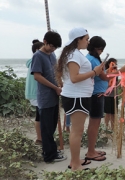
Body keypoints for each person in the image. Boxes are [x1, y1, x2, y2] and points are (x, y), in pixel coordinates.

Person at [57, 28, 104, 171]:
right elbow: (74, 78)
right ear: (78, 39)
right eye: (86, 39)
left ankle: (76, 160)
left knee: (77, 130)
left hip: (78, 95)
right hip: (77, 97)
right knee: (77, 131)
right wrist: (94, 72)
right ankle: (75, 164)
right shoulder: (73, 55)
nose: (88, 42)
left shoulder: (73, 54)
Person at [30, 31, 67, 162]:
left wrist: (60, 81)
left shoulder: (52, 55)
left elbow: (55, 72)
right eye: (51, 46)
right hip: (45, 97)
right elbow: (37, 76)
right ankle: (49, 156)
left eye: (55, 47)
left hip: (54, 96)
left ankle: (52, 150)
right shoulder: (38, 56)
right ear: (44, 41)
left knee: (51, 127)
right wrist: (54, 87)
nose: (53, 49)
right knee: (46, 128)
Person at [85, 36, 109, 161]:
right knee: (94, 124)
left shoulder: (90, 58)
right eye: (101, 49)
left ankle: (92, 149)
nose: (102, 51)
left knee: (94, 123)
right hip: (96, 95)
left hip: (95, 94)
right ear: (96, 48)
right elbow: (104, 77)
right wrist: (119, 72)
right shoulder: (93, 60)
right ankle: (90, 152)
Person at [25, 39, 44, 146]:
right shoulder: (36, 60)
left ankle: (40, 138)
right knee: (41, 116)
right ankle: (40, 138)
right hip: (37, 92)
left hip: (34, 93)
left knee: (39, 115)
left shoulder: (32, 60)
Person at [104, 58, 119, 131]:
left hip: (115, 95)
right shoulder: (106, 71)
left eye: (115, 64)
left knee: (114, 113)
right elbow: (106, 75)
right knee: (108, 113)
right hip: (107, 95)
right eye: (113, 64)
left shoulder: (116, 73)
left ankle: (113, 128)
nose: (114, 65)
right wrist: (110, 68)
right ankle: (106, 127)